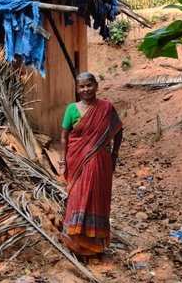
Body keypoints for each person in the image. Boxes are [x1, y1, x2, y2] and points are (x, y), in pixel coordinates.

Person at [59, 71, 123, 256]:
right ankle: (74, 240)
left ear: (96, 85)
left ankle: (94, 245)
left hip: (101, 162)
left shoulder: (107, 108)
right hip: (76, 160)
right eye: (82, 86)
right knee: (77, 197)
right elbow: (64, 136)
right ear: (77, 89)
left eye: (89, 85)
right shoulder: (71, 109)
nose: (86, 89)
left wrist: (114, 154)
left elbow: (118, 131)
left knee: (97, 197)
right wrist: (63, 160)